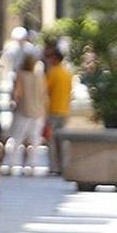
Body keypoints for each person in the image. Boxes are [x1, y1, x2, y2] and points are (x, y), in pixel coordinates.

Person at [8, 54, 46, 172]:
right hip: (38, 111)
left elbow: (17, 93)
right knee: (35, 139)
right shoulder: (40, 77)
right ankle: (32, 163)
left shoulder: (21, 75)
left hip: (24, 110)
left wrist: (14, 102)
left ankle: (13, 163)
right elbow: (44, 94)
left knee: (18, 138)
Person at [44, 47, 73, 175]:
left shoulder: (53, 73)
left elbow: (45, 90)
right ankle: (63, 166)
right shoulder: (67, 73)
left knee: (52, 140)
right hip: (64, 110)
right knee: (62, 141)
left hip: (53, 110)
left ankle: (54, 167)